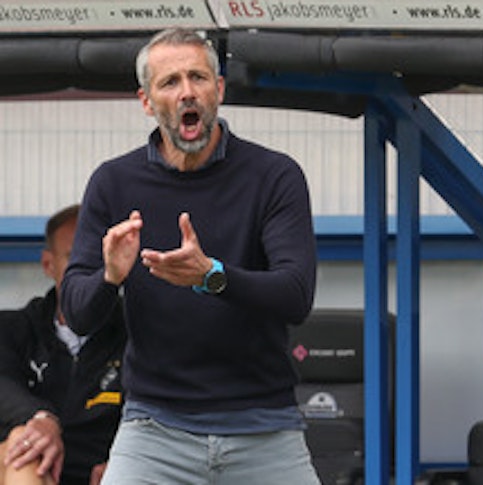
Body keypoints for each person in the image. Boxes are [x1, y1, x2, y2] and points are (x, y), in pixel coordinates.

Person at [59, 27, 320, 484]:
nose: (186, 92)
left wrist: (211, 276)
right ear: (146, 101)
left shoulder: (274, 175)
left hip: (264, 427)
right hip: (154, 431)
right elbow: (78, 313)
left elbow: (296, 294)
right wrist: (110, 277)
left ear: (218, 90)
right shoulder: (113, 183)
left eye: (198, 77)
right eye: (170, 82)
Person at [0, 204, 125, 485]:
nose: (88, 268)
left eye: (99, 257)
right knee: (26, 444)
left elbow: (157, 409)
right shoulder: (11, 329)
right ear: (48, 264)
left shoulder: (139, 333)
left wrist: (125, 460)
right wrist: (41, 418)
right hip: (23, 467)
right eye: (74, 257)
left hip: (103, 471)